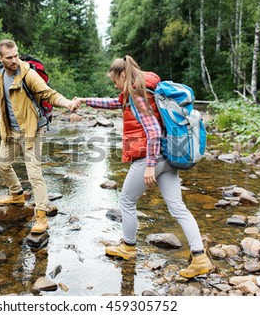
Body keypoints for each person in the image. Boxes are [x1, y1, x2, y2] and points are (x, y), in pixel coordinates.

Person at [73, 55, 214, 278]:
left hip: (151, 158)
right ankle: (199, 257)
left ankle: (128, 247)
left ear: (122, 75)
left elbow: (154, 132)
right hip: (169, 157)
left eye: (115, 82)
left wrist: (149, 166)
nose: (115, 86)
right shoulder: (146, 90)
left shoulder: (138, 95)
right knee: (177, 207)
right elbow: (116, 103)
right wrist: (84, 100)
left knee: (127, 201)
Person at [0, 39, 78, 234]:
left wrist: (67, 103)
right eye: (9, 57)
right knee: (2, 165)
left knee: (34, 173)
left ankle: (41, 216)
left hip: (32, 130)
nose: (14, 60)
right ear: (0, 58)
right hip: (11, 130)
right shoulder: (0, 74)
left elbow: (49, 94)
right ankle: (17, 194)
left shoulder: (29, 74)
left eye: (16, 55)